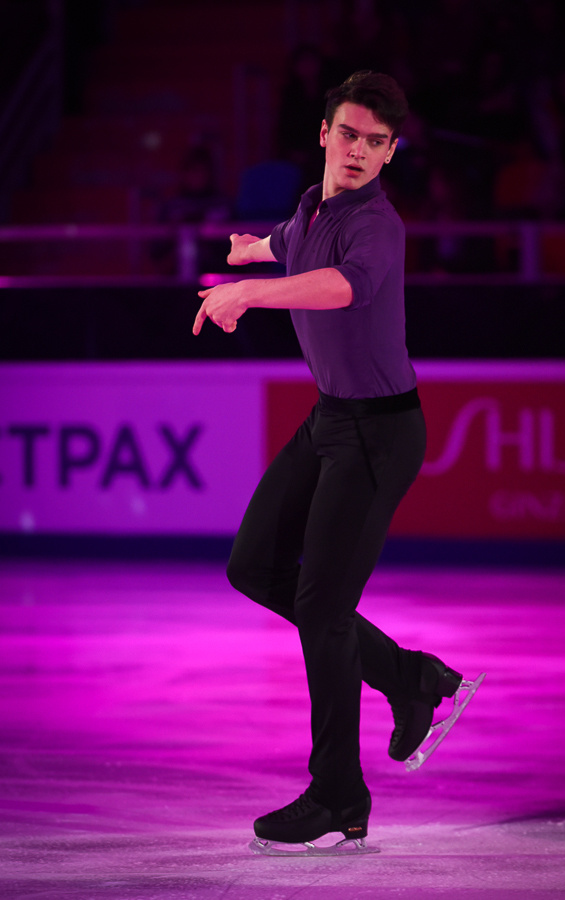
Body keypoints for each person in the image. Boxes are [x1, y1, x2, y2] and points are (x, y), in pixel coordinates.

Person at [193, 71, 475, 854]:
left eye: (374, 142)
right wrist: (254, 250)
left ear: (390, 154)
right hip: (329, 420)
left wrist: (249, 292)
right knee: (253, 566)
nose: (357, 151)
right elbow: (292, 240)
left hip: (381, 434)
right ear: (324, 134)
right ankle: (410, 677)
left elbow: (340, 287)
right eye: (347, 134)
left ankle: (338, 794)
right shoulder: (313, 209)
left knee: (321, 608)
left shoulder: (377, 226)